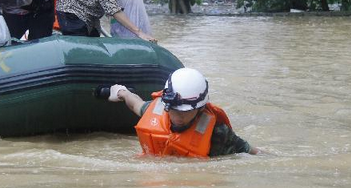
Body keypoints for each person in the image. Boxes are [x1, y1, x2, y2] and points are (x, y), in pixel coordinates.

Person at [108, 67, 258, 158]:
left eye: (186, 112)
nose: (179, 116)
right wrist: (121, 91)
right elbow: (136, 103)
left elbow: (250, 151)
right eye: (174, 109)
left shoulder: (218, 133)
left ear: (200, 108)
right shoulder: (156, 112)